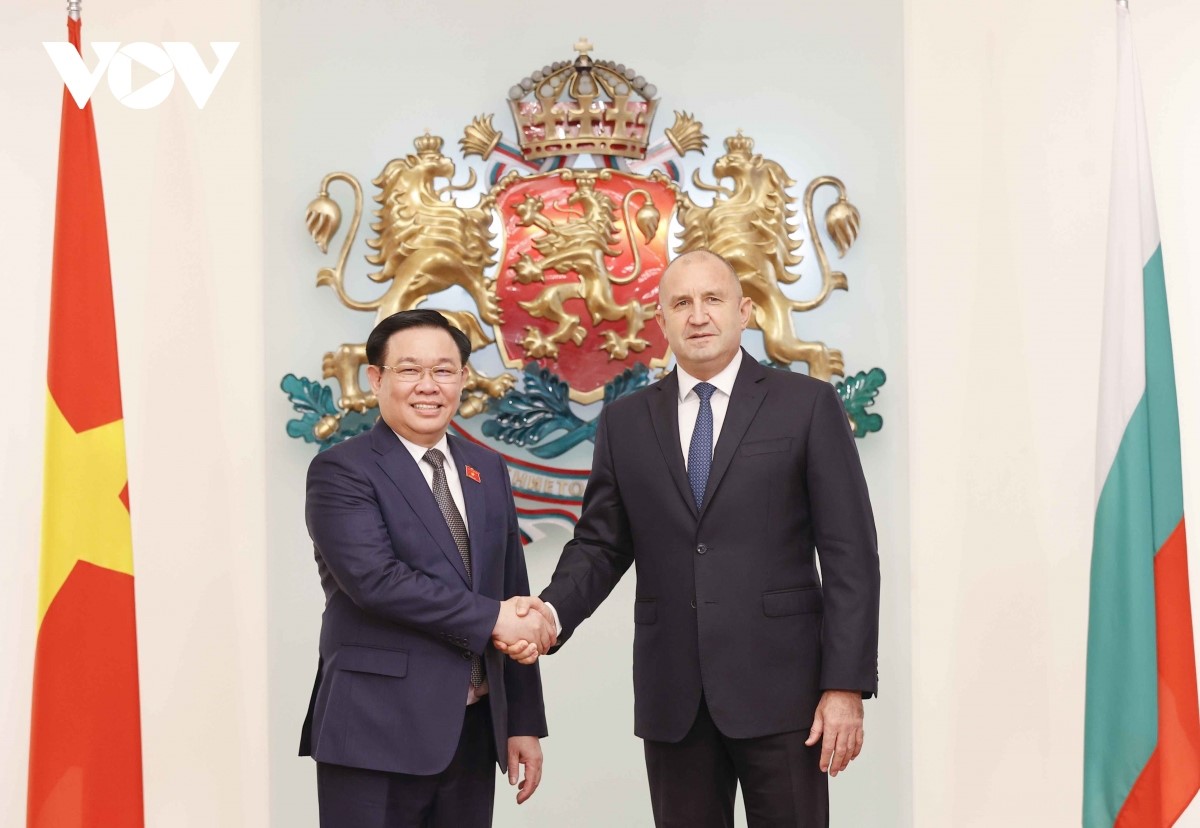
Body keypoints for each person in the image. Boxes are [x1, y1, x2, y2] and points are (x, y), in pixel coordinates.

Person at [503, 250, 880, 827]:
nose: (698, 315)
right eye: (681, 303)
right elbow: (602, 544)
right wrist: (550, 613)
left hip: (787, 694)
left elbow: (850, 554)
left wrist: (844, 685)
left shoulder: (806, 405)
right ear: (661, 320)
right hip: (673, 696)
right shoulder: (625, 422)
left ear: (744, 312)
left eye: (712, 299)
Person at [300, 309, 554, 828]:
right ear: (376, 379)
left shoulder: (487, 468)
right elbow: (376, 581)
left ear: (463, 378)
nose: (428, 386)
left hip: (472, 732)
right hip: (374, 731)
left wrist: (522, 721)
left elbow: (511, 587)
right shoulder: (342, 470)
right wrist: (496, 619)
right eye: (410, 370)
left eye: (443, 370)